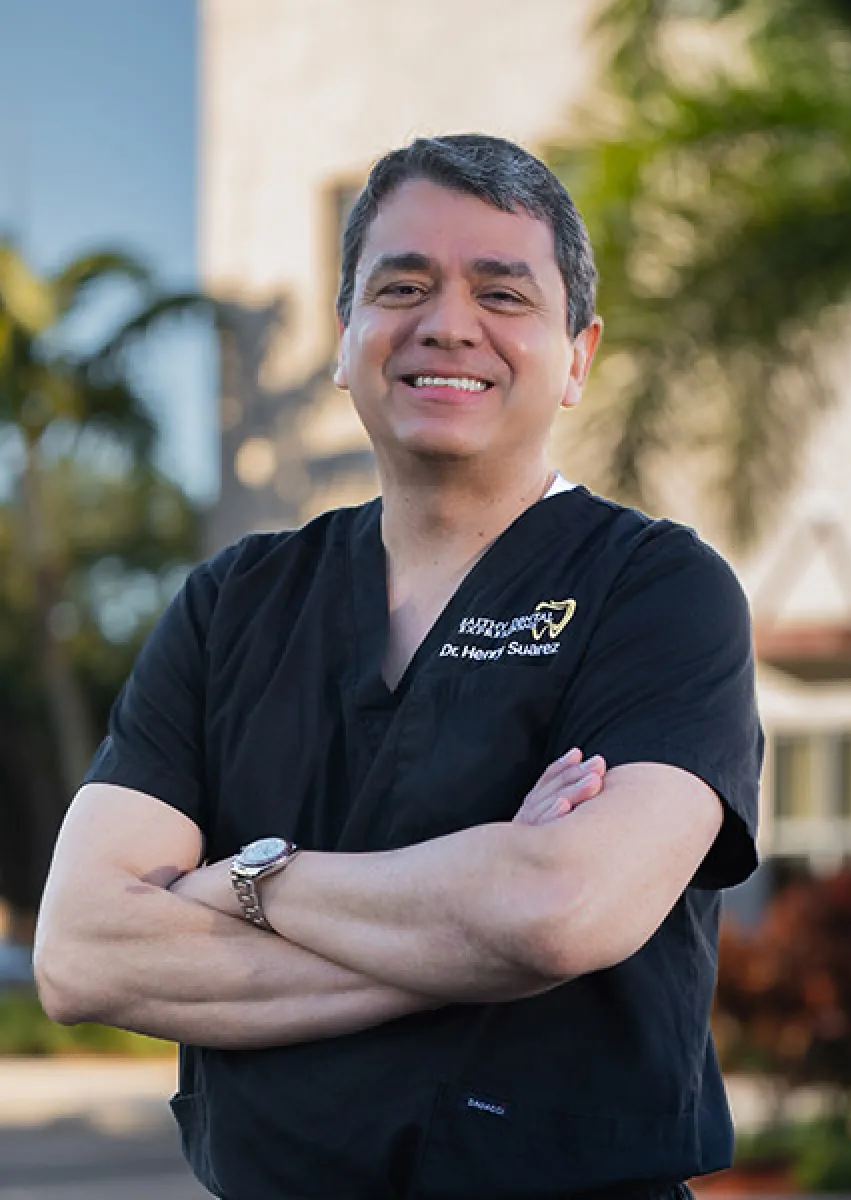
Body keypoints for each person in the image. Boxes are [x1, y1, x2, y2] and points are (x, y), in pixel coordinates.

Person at [34, 134, 763, 1200]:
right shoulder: (233, 603)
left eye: (503, 293)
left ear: (579, 355)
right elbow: (83, 954)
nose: (447, 322)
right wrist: (478, 935)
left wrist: (246, 879)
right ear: (346, 340)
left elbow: (562, 911)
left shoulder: (659, 592)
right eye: (404, 284)